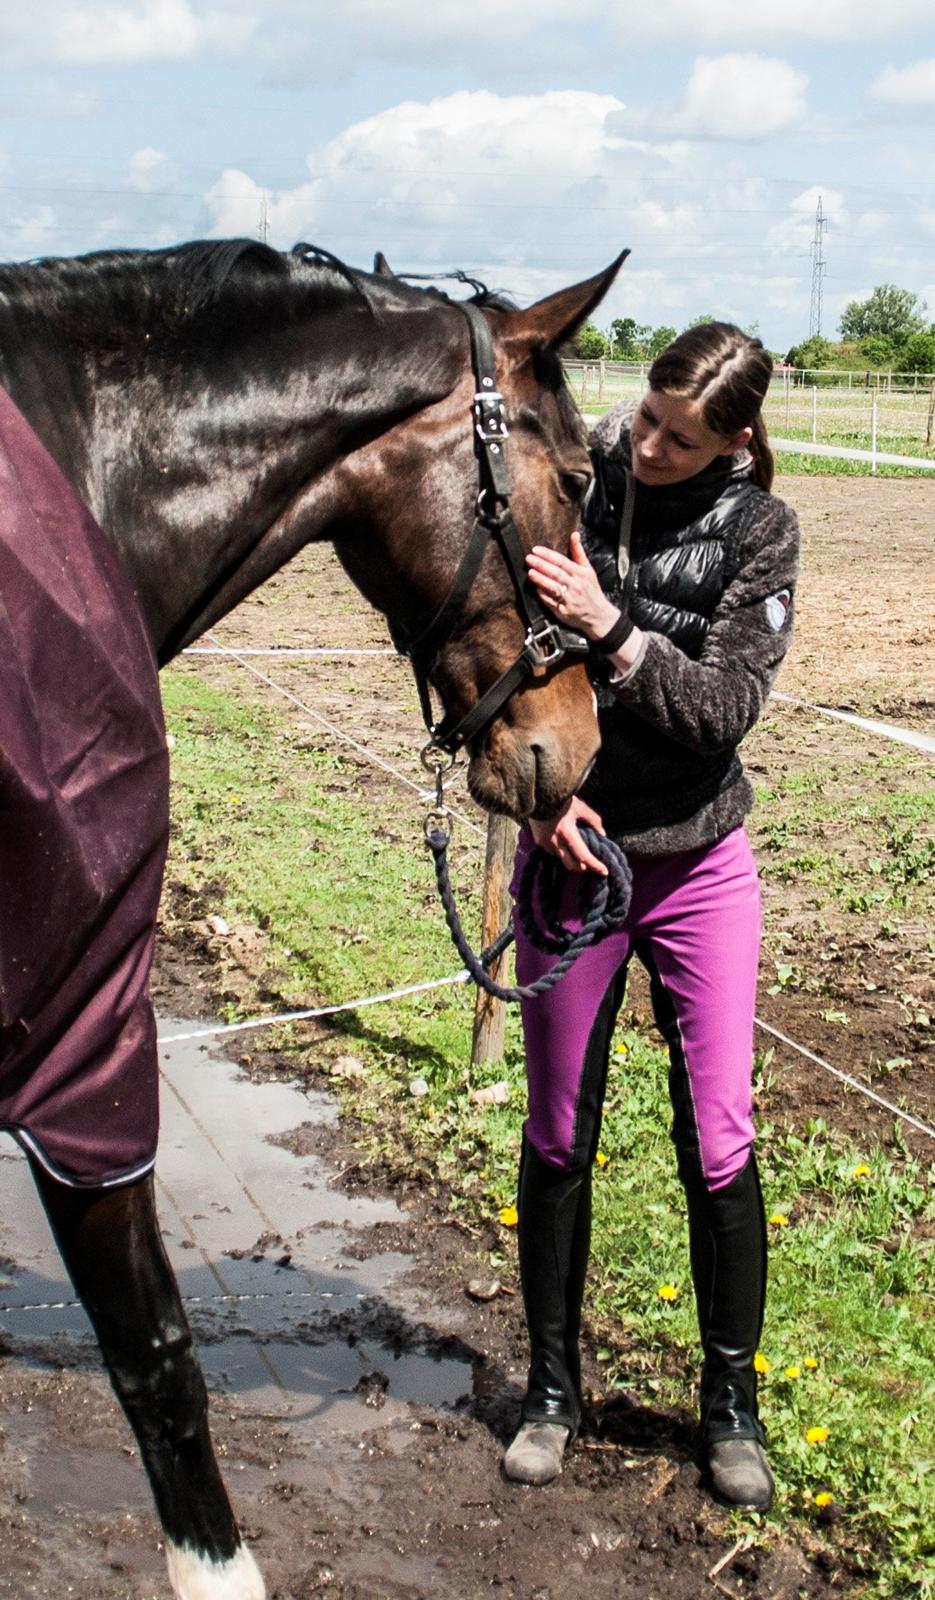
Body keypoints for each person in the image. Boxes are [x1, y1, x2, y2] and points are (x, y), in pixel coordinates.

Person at [502, 321, 799, 1511]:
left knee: (718, 1137)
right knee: (558, 1128)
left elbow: (724, 705)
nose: (646, 439)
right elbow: (508, 655)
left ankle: (729, 1408)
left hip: (696, 868)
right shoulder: (586, 480)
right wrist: (534, 807)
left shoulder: (760, 532)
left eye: (679, 435)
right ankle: (550, 1392)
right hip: (572, 858)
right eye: (645, 412)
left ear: (731, 438)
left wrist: (613, 628)